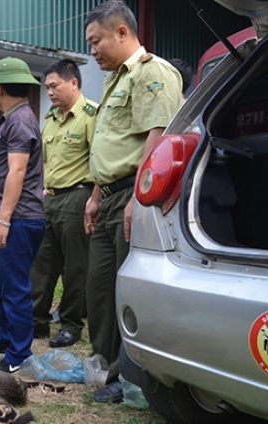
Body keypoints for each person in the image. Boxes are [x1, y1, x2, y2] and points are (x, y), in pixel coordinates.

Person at [83, 1, 181, 402]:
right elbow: (108, 145)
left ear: (121, 32)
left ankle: (131, 379)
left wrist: (136, 200)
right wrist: (94, 195)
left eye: (96, 41)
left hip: (132, 195)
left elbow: (156, 138)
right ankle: (104, 370)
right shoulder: (113, 80)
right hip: (107, 196)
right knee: (100, 290)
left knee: (129, 293)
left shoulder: (153, 73)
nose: (92, 51)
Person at [0, 57, 46, 374]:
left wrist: (3, 219)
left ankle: (18, 355)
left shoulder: (19, 121)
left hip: (18, 219)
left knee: (15, 286)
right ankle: (4, 338)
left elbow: (17, 172)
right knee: (3, 281)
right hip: (11, 217)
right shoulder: (15, 118)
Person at [30, 59, 97, 347]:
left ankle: (70, 324)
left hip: (78, 197)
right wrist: (42, 190)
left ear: (74, 83)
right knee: (42, 263)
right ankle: (37, 322)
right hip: (51, 198)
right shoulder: (51, 119)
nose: (50, 92)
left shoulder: (91, 115)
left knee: (75, 267)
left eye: (54, 86)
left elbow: (99, 159)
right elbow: (45, 160)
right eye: (46, 87)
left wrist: (95, 199)